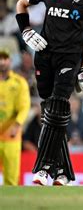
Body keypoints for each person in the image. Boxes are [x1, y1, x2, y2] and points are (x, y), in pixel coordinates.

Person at [15, 0, 83, 186]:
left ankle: (44, 167)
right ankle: (64, 172)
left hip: (70, 58)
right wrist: (26, 32)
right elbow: (20, 5)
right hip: (44, 55)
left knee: (57, 105)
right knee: (51, 113)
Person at [0, 49, 31, 185]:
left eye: (5, 58)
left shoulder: (19, 83)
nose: (2, 62)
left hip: (10, 136)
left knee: (11, 180)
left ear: (10, 61)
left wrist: (17, 124)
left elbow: (24, 107)